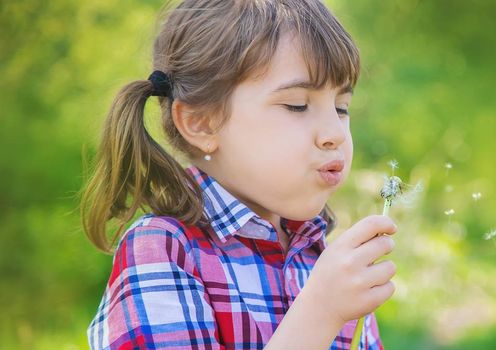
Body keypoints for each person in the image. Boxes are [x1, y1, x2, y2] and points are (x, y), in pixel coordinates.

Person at [81, 1, 396, 348]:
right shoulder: (165, 249)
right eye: (297, 105)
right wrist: (320, 312)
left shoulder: (321, 259)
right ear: (201, 122)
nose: (334, 132)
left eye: (341, 108)